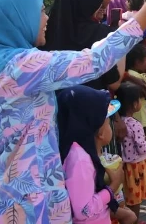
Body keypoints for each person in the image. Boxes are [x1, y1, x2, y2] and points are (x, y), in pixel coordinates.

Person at [0, 0, 146, 223]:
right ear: (17, 16)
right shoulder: (19, 66)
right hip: (26, 205)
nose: (47, 17)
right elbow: (94, 60)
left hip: (6, 197)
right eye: (40, 10)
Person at [58, 85, 136, 224]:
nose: (110, 126)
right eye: (108, 123)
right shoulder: (80, 160)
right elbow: (84, 211)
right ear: (100, 132)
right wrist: (113, 186)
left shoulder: (82, 151)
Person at [117, 82, 146, 222]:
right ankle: (135, 220)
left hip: (126, 166)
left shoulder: (120, 122)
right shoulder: (135, 124)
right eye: (139, 99)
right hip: (137, 166)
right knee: (136, 198)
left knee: (129, 197)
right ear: (134, 104)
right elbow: (142, 148)